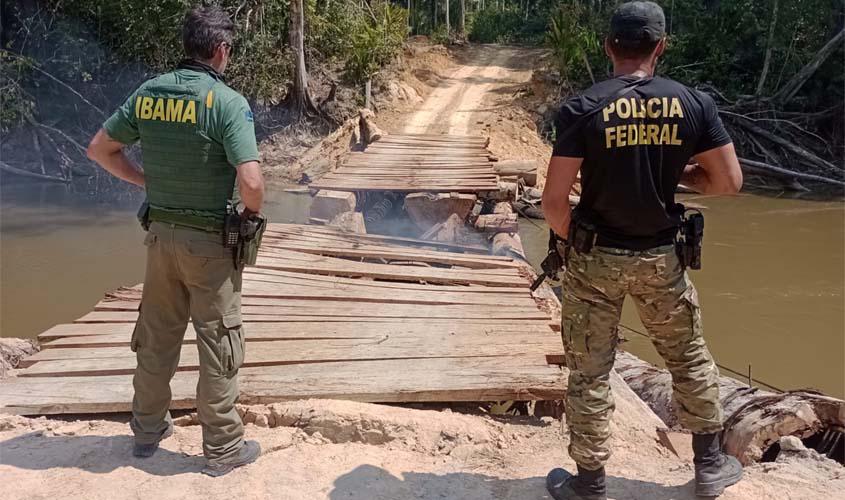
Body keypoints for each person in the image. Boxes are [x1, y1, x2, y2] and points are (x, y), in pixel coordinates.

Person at [541, 2, 744, 499]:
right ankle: (710, 464)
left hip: (595, 257)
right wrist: (674, 174)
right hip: (663, 258)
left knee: (589, 369)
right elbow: (728, 182)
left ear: (609, 46)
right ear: (661, 47)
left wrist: (580, 243)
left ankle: (589, 482)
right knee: (688, 357)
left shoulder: (582, 108)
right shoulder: (693, 104)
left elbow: (553, 203)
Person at [86, 6, 265, 477]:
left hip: (159, 238)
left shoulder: (149, 94)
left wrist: (146, 181)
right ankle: (223, 447)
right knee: (219, 342)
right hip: (209, 245)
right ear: (222, 50)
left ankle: (146, 432)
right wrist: (249, 216)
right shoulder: (226, 102)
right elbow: (251, 181)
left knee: (156, 337)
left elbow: (100, 148)